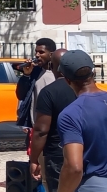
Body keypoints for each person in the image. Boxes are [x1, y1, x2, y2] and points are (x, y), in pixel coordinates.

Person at [56, 50, 107, 191]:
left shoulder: (70, 114)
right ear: (93, 73)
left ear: (67, 79)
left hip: (93, 186)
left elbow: (74, 168)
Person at [29, 49, 74, 192]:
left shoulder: (49, 92)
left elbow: (41, 131)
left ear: (52, 67)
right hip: (84, 151)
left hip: (56, 153)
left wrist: (34, 159)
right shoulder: (84, 89)